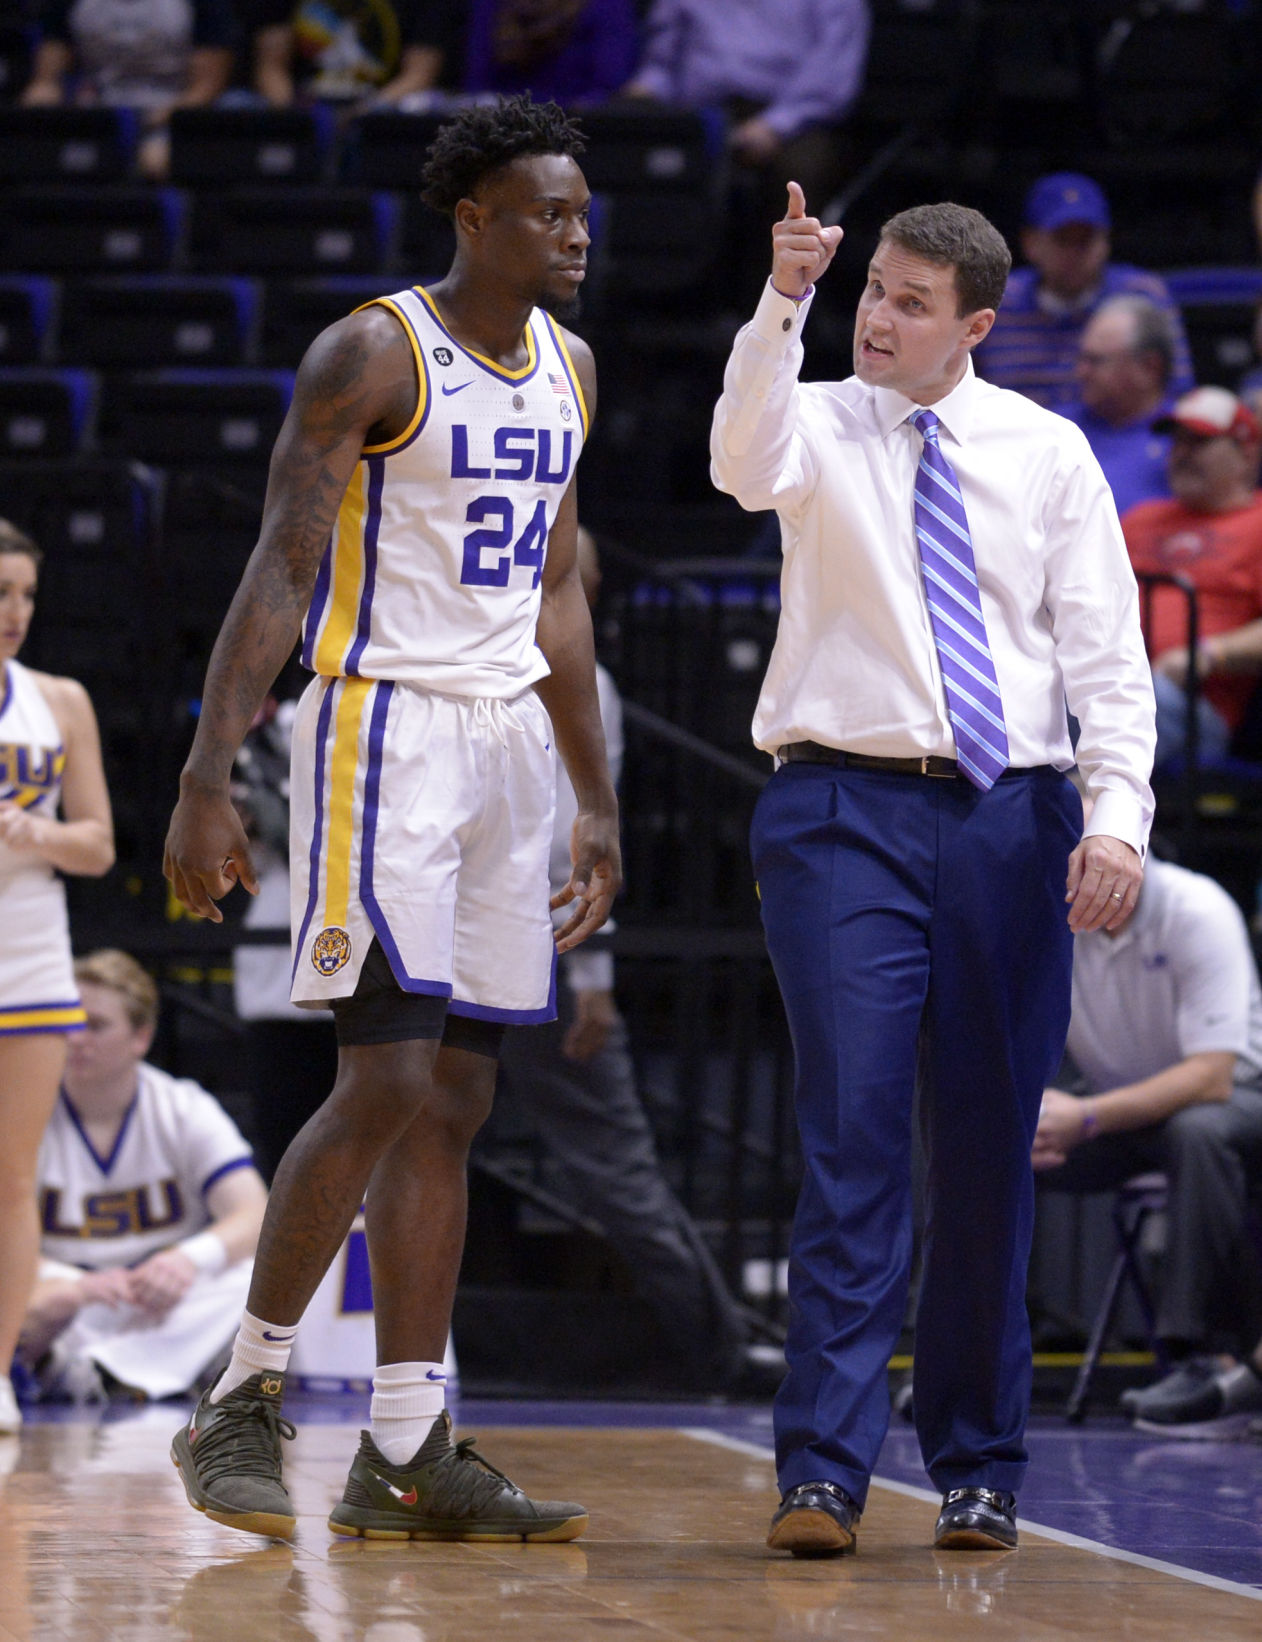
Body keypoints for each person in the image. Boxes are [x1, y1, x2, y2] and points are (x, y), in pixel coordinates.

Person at [163, 94, 620, 1544]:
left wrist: (593, 791)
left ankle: (410, 1441)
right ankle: (241, 1396)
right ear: (472, 216)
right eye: (549, 212)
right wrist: (204, 772)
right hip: (385, 731)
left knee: (459, 1096)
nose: (576, 232)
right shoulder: (373, 350)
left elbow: (557, 591)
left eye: (583, 212)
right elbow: (281, 566)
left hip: (507, 750)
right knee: (378, 1079)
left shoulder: (574, 368)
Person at [710, 184, 1155, 1557]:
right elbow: (737, 459)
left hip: (1009, 819)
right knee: (851, 1139)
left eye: (909, 300)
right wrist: (782, 299)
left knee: (981, 1154)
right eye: (870, 291)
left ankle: (976, 1463)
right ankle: (823, 1472)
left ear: (975, 321)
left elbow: (1100, 649)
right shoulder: (814, 412)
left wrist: (1115, 815)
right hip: (838, 805)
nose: (879, 317)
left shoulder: (1045, 449)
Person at [497, 527, 772, 1393]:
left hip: (537, 943)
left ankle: (721, 1351)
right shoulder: (459, 669)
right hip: (452, 938)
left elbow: (573, 844)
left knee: (616, 1167)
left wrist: (591, 978)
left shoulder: (587, 688)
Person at [1033, 852, 1262, 1421]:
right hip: (1121, 1110)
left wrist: (1085, 1117)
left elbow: (1211, 1076)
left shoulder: (1196, 908)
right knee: (992, 1147)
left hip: (1237, 1098)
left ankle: (1203, 1360)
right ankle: (970, 1353)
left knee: (1198, 1132)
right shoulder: (1046, 916)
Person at [20, 949, 268, 1402]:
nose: (76, 1038)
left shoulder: (183, 1107)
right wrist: (74, 1285)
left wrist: (187, 1259)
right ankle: (150, 1373)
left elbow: (254, 1213)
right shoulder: (24, 1110)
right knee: (33, 1297)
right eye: (68, 1022)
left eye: (94, 1025)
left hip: (165, 1298)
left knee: (254, 1276)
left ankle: (100, 1373)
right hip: (68, 1297)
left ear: (142, 1036)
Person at [0, 519, 114, 1434]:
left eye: (26, 594)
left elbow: (101, 845)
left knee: (13, 1177)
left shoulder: (61, 700)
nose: (15, 612)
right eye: (1, 592)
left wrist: (38, 833)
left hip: (30, 954)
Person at [1122, 386, 1262, 769]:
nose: (1181, 453)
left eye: (1199, 442)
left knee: (1133, 702)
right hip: (1109, 682)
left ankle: (1080, 809)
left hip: (1192, 704)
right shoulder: (1140, 518)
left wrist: (1209, 653)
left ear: (1246, 453)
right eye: (1177, 441)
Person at [975, 172, 1193, 412]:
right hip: (1014, 441)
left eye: (1086, 240)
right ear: (1030, 243)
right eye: (1063, 240)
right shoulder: (996, 300)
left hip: (1119, 439)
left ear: (1106, 242)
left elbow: (1178, 393)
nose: (1075, 254)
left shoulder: (1142, 294)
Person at [20, 0, 237, 180]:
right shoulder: (69, 4)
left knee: (155, 161)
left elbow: (206, 87)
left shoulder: (202, 5)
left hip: (169, 111)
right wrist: (41, 101)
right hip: (93, 113)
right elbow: (46, 79)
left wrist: (141, 122)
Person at [1066, 295, 1177, 518]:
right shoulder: (1054, 428)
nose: (1081, 372)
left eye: (1095, 361)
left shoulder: (1187, 439)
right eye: (1081, 359)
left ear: (1149, 367)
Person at [251, 0, 449, 113]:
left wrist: (366, 111)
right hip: (304, 104)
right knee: (239, 103)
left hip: (384, 107)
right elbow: (270, 66)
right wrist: (293, 114)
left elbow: (421, 73)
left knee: (421, 104)